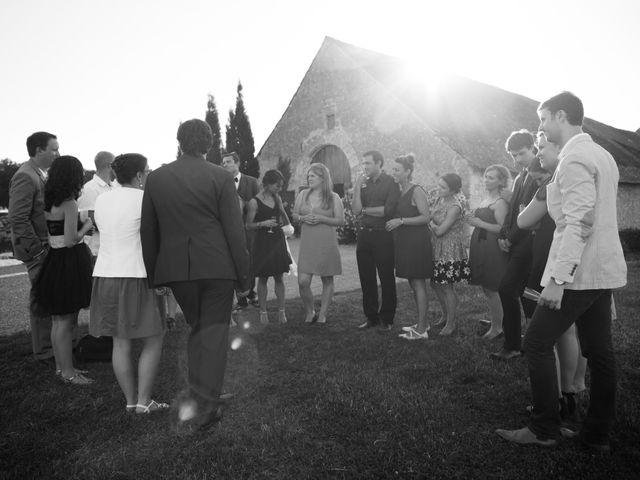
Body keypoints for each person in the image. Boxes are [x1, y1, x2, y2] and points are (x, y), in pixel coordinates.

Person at [496, 92, 627, 452]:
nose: (540, 127)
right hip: (603, 270)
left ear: (560, 116)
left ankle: (543, 428)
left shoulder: (574, 159)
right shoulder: (603, 155)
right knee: (600, 352)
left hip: (579, 272)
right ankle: (596, 435)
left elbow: (578, 223)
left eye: (542, 120)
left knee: (536, 342)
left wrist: (557, 280)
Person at [141, 119, 250, 431]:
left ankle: (202, 393)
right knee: (213, 335)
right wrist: (244, 277)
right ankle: (208, 403)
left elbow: (148, 230)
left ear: (179, 142)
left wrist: (155, 276)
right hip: (217, 267)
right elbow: (234, 230)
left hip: (178, 270)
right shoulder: (220, 175)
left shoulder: (157, 177)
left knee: (198, 330)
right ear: (209, 144)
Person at [514, 132, 587, 430]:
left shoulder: (551, 183)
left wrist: (530, 203)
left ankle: (554, 399)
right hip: (574, 261)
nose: (538, 152)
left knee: (544, 336)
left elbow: (523, 220)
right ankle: (570, 392)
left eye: (543, 147)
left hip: (550, 261)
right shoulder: (583, 173)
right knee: (569, 331)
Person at [90, 153, 168, 413]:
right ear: (138, 175)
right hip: (137, 274)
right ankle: (144, 403)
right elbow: (155, 239)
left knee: (120, 342)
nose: (148, 174)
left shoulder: (102, 199)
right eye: (147, 170)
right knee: (154, 338)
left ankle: (131, 402)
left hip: (106, 275)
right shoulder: (147, 199)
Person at [33, 155, 94, 384]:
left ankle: (62, 369)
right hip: (69, 261)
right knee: (66, 321)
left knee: (59, 320)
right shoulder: (69, 203)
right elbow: (71, 240)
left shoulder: (49, 201)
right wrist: (87, 225)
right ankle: (68, 373)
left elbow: (55, 237)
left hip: (55, 260)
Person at [8, 132, 60, 362]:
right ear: (39, 150)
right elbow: (18, 218)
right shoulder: (25, 176)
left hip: (44, 245)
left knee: (48, 296)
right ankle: (45, 350)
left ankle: (51, 346)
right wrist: (38, 250)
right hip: (36, 249)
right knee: (41, 298)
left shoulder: (39, 173)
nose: (57, 153)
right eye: (53, 149)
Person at [490, 130, 539, 360]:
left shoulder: (542, 174)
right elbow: (512, 213)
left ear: (533, 148)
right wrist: (503, 234)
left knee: (506, 288)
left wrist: (510, 239)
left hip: (530, 244)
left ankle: (512, 346)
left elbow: (530, 215)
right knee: (522, 292)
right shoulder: (520, 177)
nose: (517, 159)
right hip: (515, 243)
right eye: (513, 156)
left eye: (521, 153)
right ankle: (531, 341)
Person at [383, 154, 433, 340]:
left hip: (416, 242)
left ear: (408, 172)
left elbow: (426, 217)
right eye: (393, 169)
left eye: (397, 170)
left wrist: (401, 221)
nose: (393, 172)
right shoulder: (400, 190)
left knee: (418, 283)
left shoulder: (416, 190)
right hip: (404, 242)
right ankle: (423, 322)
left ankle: (421, 331)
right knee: (413, 283)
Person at [351, 150, 400, 331]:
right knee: (366, 278)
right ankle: (371, 317)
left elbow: (387, 211)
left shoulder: (391, 182)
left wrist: (364, 210)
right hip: (364, 235)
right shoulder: (362, 184)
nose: (364, 167)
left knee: (386, 277)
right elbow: (356, 210)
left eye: (368, 163)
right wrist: (356, 188)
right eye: (363, 163)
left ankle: (387, 318)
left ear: (379, 163)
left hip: (383, 235)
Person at [292, 163, 344, 324]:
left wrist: (322, 218)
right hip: (308, 244)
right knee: (303, 281)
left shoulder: (333, 197)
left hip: (326, 243)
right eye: (308, 176)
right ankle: (310, 311)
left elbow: (340, 221)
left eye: (312, 176)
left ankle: (322, 314)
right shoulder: (303, 195)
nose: (309, 178)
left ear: (322, 178)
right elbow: (294, 214)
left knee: (327, 279)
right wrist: (302, 218)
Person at [467, 165, 510, 340]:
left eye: (491, 177)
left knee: (492, 287)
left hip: (492, 248)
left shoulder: (500, 202)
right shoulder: (487, 199)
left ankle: (498, 328)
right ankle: (496, 319)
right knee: (486, 286)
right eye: (486, 176)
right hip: (481, 245)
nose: (486, 180)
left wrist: (479, 223)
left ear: (501, 181)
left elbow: (502, 228)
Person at [245, 169, 292, 324]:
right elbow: (248, 225)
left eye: (281, 186)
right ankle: (263, 312)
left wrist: (287, 222)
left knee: (279, 277)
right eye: (277, 185)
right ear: (267, 184)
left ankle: (281, 311)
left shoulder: (276, 197)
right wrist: (262, 223)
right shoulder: (254, 202)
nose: (279, 188)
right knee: (263, 278)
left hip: (277, 240)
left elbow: (284, 216)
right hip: (262, 243)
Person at [429, 173, 471, 336]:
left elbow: (440, 230)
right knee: (435, 284)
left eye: (443, 187)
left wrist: (431, 223)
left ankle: (451, 323)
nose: (438, 189)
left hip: (449, 249)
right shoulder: (440, 199)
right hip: (436, 248)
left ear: (453, 190)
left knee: (446, 286)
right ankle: (445, 315)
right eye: (438, 185)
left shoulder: (455, 206)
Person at [222, 152, 260, 309]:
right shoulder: (220, 182)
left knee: (249, 262)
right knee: (232, 262)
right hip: (228, 231)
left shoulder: (251, 181)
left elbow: (258, 203)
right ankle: (241, 298)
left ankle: (251, 293)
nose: (225, 165)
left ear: (237, 163)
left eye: (228, 162)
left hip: (248, 230)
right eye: (223, 162)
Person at [77, 151, 116, 258]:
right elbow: (87, 220)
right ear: (110, 165)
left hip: (111, 249)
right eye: (116, 165)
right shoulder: (89, 189)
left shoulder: (115, 186)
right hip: (95, 251)